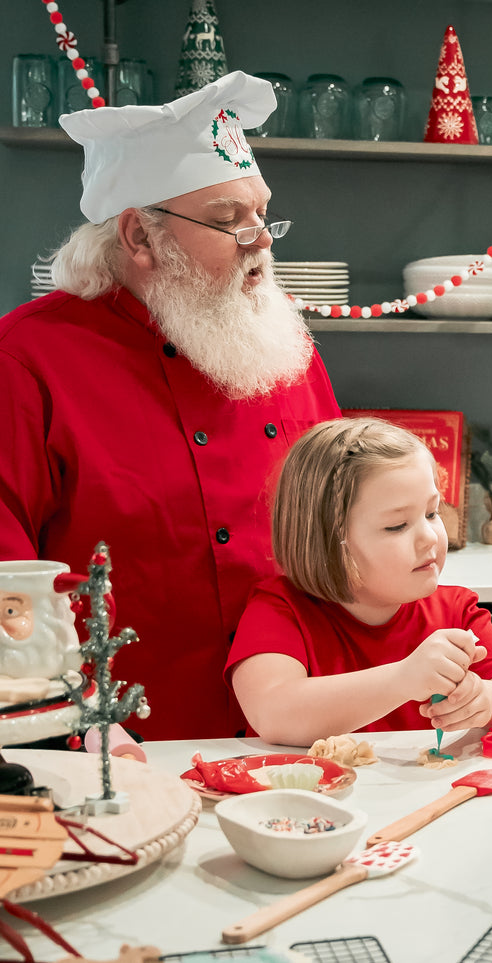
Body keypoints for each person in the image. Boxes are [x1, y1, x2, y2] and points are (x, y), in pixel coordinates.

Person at [0, 72, 341, 740]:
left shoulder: (281, 346)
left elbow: (343, 519)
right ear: (138, 236)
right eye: (226, 220)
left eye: (261, 213)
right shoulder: (26, 358)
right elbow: (5, 572)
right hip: (110, 742)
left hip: (297, 736)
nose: (261, 239)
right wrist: (69, 712)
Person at [227, 418, 492, 746]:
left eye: (431, 513)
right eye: (397, 525)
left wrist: (485, 701)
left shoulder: (454, 610)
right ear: (328, 541)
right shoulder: (279, 611)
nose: (430, 538)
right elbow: (274, 714)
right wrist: (402, 680)